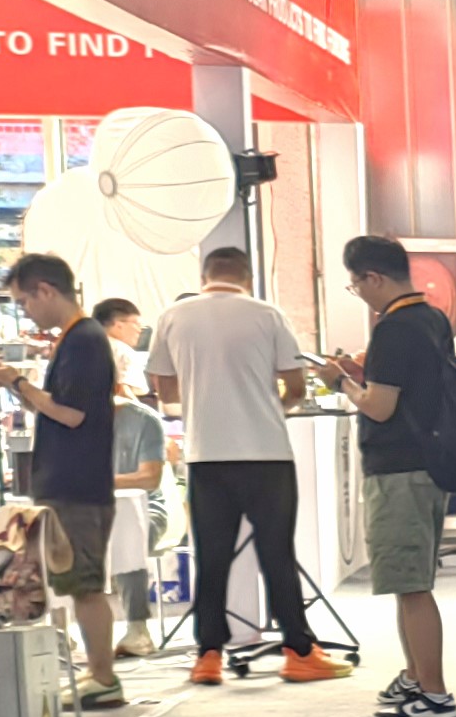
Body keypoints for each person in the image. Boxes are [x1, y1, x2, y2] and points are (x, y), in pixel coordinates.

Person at [147, 246, 345, 685]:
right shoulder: (268, 315)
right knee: (276, 553)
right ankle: (298, 651)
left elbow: (166, 392)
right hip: (266, 454)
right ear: (247, 277)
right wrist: (270, 407)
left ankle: (208, 656)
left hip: (206, 455)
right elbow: (296, 387)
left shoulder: (173, 317)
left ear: (205, 276)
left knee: (212, 557)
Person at [0, 255, 123, 707]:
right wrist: (14, 383)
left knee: (85, 585)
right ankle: (98, 673)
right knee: (77, 584)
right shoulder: (76, 339)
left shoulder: (84, 340)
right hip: (70, 482)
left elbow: (71, 414)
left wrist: (18, 383)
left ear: (45, 290)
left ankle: (104, 677)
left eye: (24, 302)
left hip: (78, 485)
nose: (26, 312)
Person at [334, 236, 456, 717]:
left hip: (398, 471)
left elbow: (380, 406)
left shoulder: (392, 329)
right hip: (427, 465)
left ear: (373, 277)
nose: (359, 294)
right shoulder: (431, 318)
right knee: (410, 581)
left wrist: (342, 383)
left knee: (411, 587)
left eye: (355, 285)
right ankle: (415, 675)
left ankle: (434, 693)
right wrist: (362, 373)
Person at [106, 358, 167, 657]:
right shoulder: (69, 422)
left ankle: (137, 627)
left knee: (126, 530)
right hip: (92, 510)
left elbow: (150, 478)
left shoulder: (143, 420)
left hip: (147, 509)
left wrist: (98, 482)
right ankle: (59, 627)